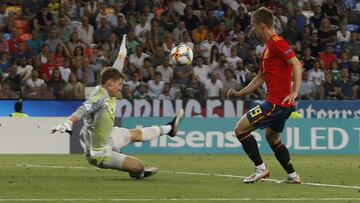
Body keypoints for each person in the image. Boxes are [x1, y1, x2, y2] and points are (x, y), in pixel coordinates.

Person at [52, 35, 185, 179]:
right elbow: (83, 109)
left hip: (110, 135)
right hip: (100, 152)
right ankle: (137, 173)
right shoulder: (98, 97)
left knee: (137, 134)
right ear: (110, 84)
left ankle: (170, 128)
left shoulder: (108, 85)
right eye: (119, 85)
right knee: (139, 167)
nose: (121, 88)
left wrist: (123, 51)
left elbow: (118, 65)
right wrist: (69, 122)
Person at [227, 7, 302, 184]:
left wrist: (294, 92)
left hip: (276, 103)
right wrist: (240, 93)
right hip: (283, 105)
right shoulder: (269, 48)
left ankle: (260, 168)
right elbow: (260, 78)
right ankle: (292, 175)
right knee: (272, 138)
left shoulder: (277, 42)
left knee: (240, 130)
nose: (252, 30)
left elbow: (297, 64)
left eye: (253, 26)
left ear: (262, 26)